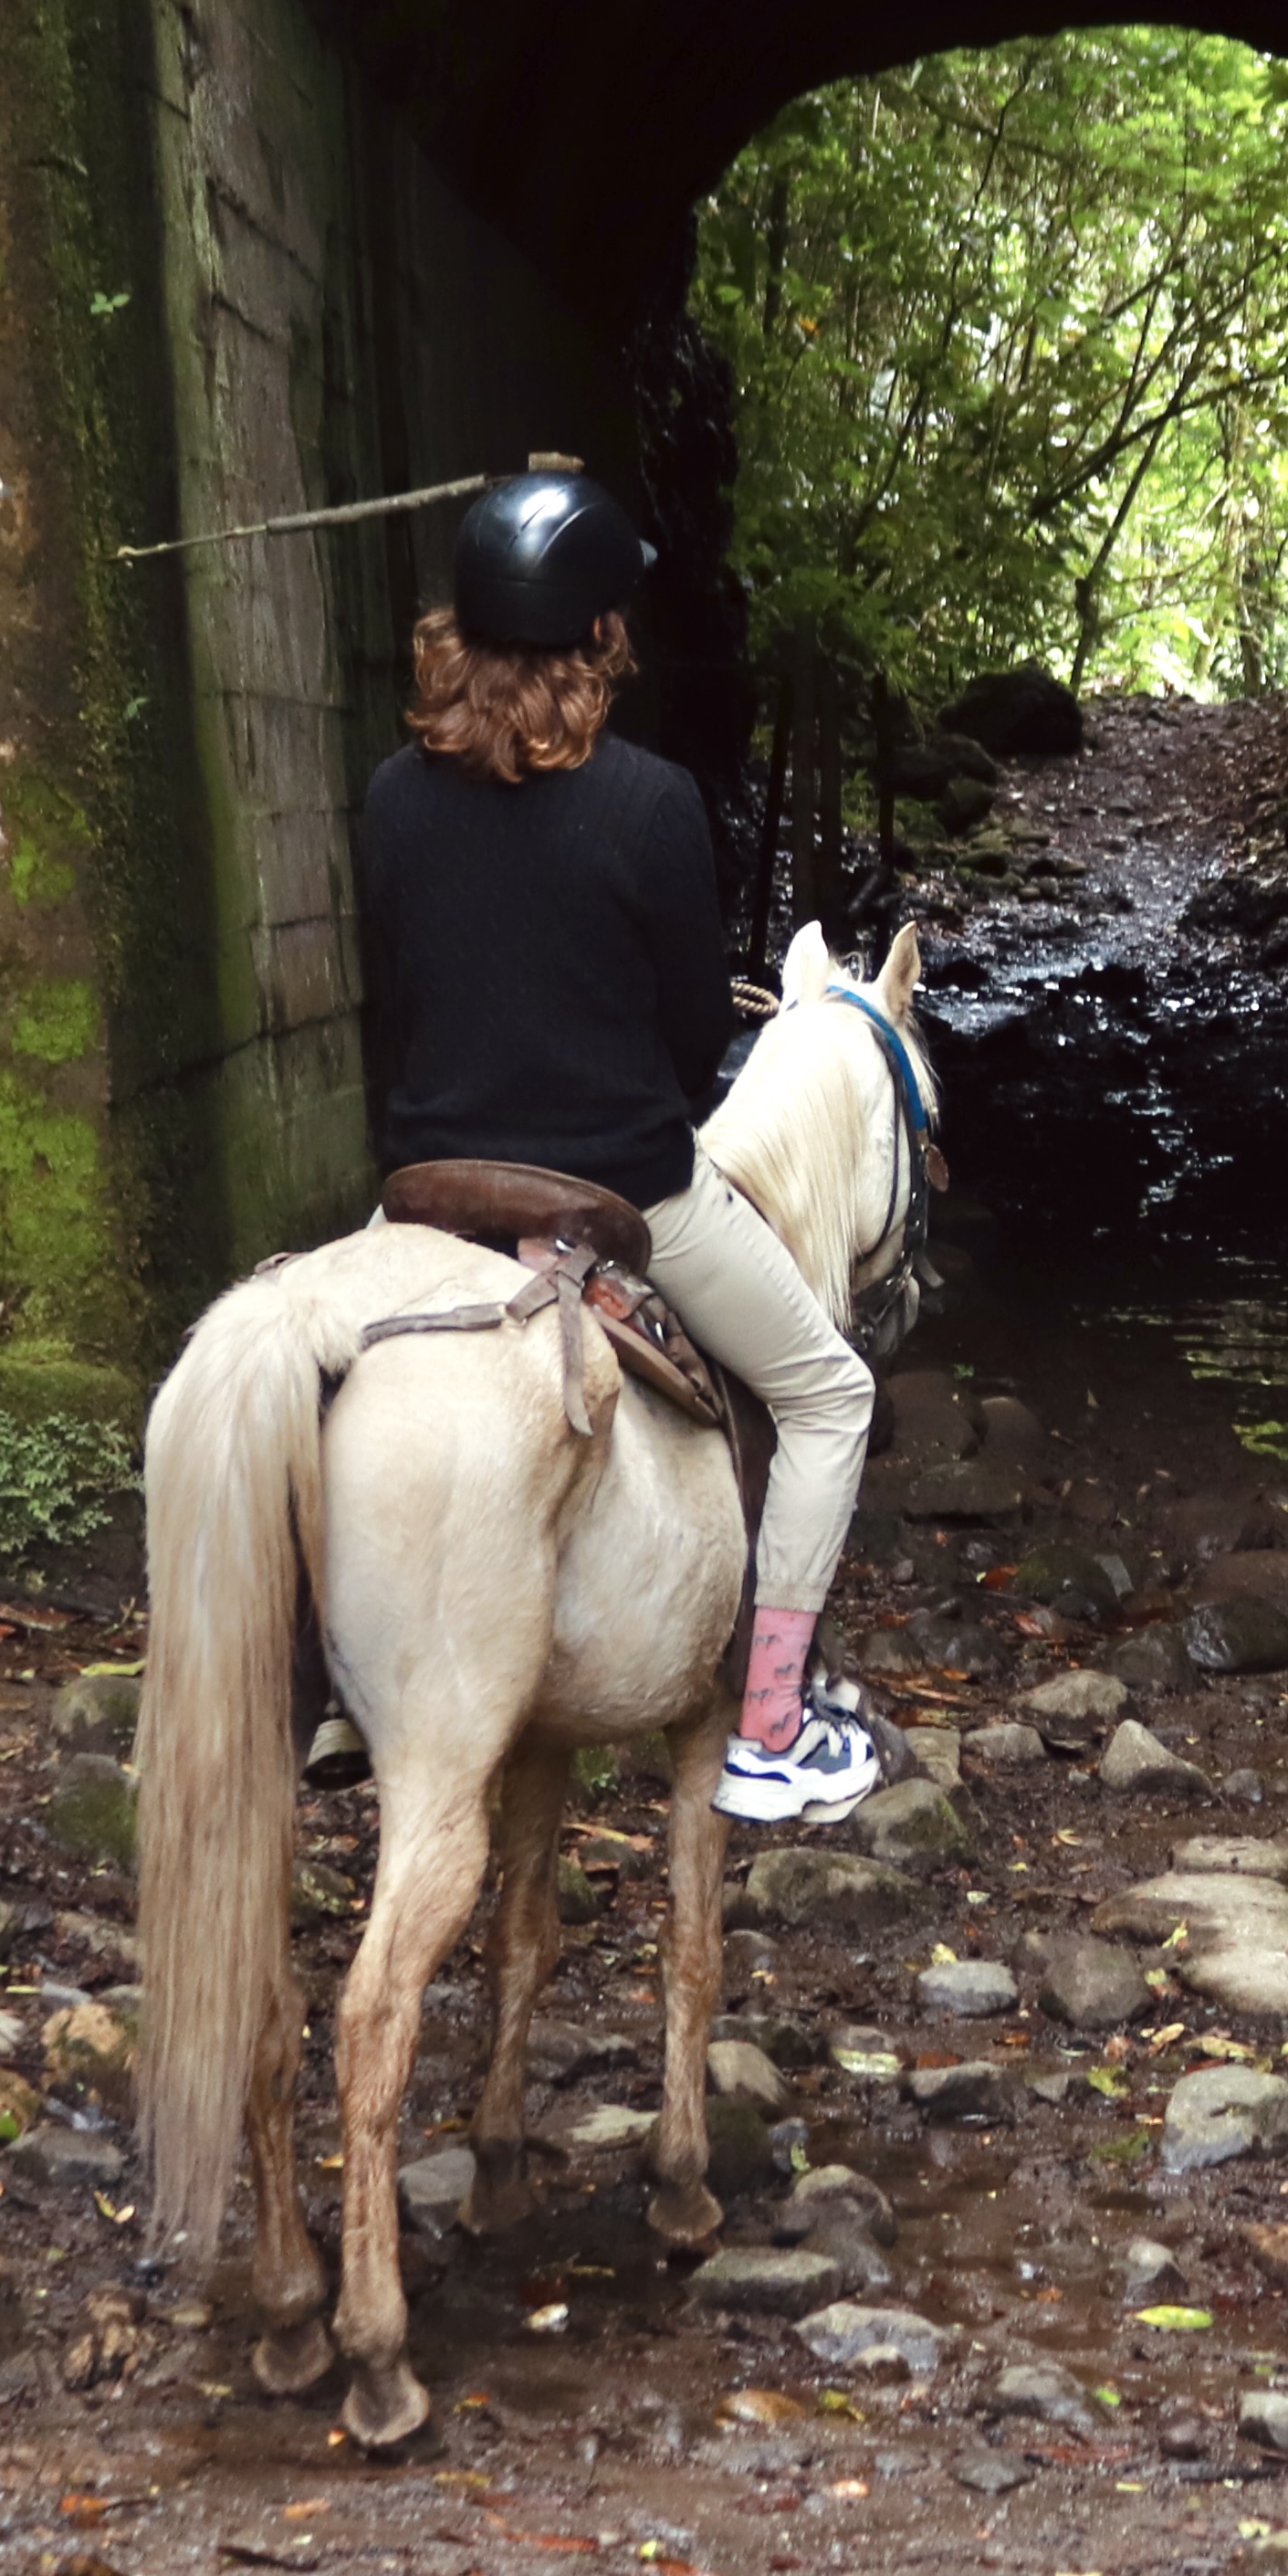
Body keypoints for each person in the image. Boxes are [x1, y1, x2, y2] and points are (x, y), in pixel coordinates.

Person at [351, 470, 889, 1825]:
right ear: (598, 638)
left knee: (310, 1378)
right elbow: (695, 1028)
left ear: (454, 634)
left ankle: (326, 1672)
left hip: (426, 1200)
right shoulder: (651, 804)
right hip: (625, 1184)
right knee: (829, 1396)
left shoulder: (390, 801)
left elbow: (391, 1002)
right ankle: (772, 1722)